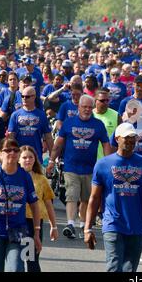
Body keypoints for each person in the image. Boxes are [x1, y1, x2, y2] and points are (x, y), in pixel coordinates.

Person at [84, 122, 142, 272]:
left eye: (133, 138)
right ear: (117, 138)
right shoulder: (103, 164)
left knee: (130, 269)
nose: (131, 141)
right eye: (127, 138)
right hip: (113, 223)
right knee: (114, 266)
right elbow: (94, 198)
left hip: (136, 226)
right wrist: (87, 228)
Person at [47, 95, 111, 239]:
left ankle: (83, 225)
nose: (87, 110)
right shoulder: (69, 123)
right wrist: (51, 161)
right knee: (72, 195)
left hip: (90, 168)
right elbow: (58, 144)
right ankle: (70, 224)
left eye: (90, 107)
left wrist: (108, 163)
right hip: (71, 167)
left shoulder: (98, 125)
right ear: (78, 107)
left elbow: (106, 144)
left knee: (85, 199)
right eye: (84, 107)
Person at [0, 138, 42, 272]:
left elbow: (35, 206)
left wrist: (36, 232)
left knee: (16, 268)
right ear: (0, 154)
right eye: (7, 150)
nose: (12, 153)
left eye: (15, 150)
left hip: (17, 231)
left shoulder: (25, 176)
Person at [19, 145, 58, 272]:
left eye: (31, 157)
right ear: (18, 159)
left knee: (31, 259)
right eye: (24, 157)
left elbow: (48, 204)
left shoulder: (41, 179)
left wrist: (54, 226)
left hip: (33, 224)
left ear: (35, 159)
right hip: (16, 222)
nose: (28, 160)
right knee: (16, 260)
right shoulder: (13, 177)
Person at [7, 86, 53, 163]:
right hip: (19, 157)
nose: (24, 98)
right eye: (22, 96)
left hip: (36, 157)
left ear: (34, 97)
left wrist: (52, 158)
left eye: (27, 97)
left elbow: (48, 137)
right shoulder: (15, 115)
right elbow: (11, 137)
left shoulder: (41, 115)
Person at [93, 89, 121, 160]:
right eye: (102, 101)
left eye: (107, 100)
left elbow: (121, 139)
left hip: (109, 159)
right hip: (91, 160)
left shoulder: (116, 115)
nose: (105, 103)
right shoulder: (89, 115)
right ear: (95, 101)